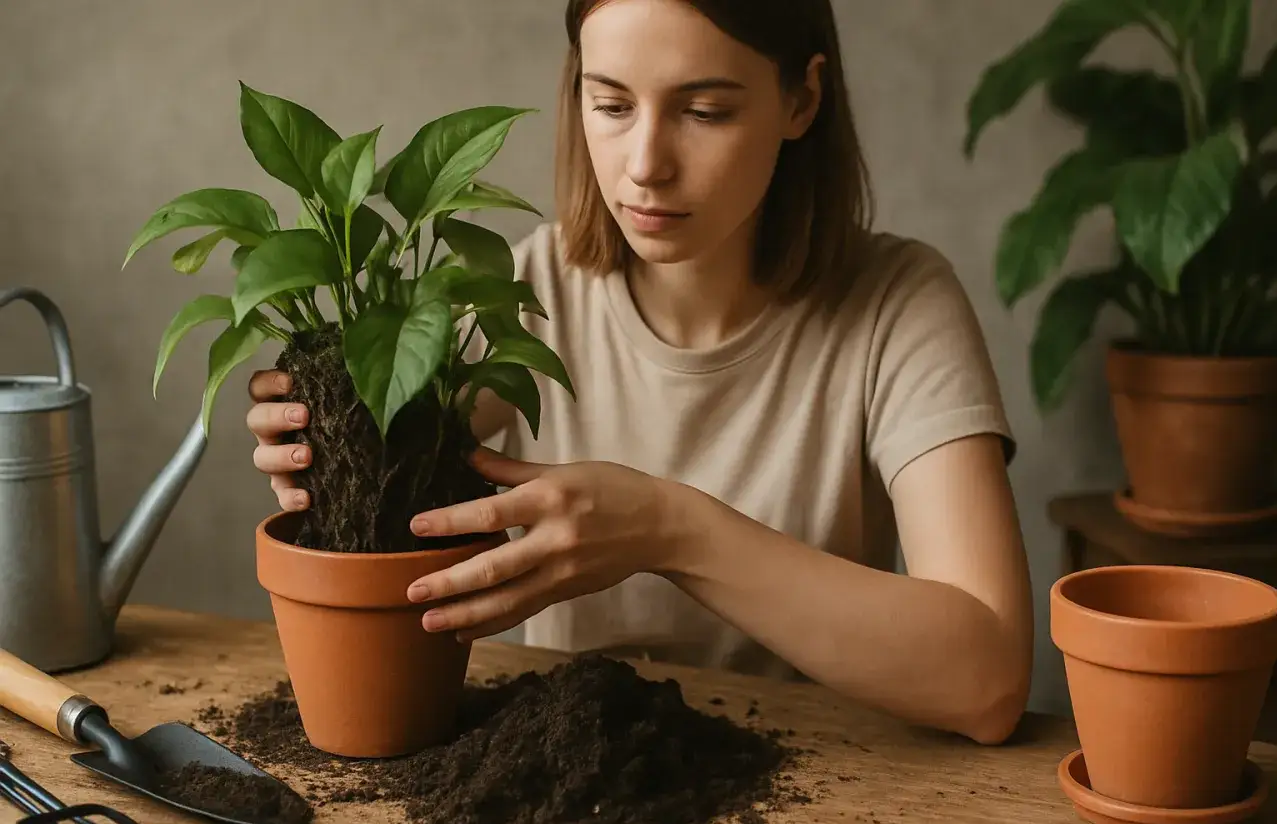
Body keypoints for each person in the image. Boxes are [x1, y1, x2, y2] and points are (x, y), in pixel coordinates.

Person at [245, 0, 1034, 746]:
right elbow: (388, 454)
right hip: (570, 762)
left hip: (823, 778)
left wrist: (669, 529)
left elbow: (987, 680)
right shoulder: (530, 289)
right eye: (612, 105)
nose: (646, 165)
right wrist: (322, 442)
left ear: (802, 100)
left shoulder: (898, 304)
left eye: (704, 111)